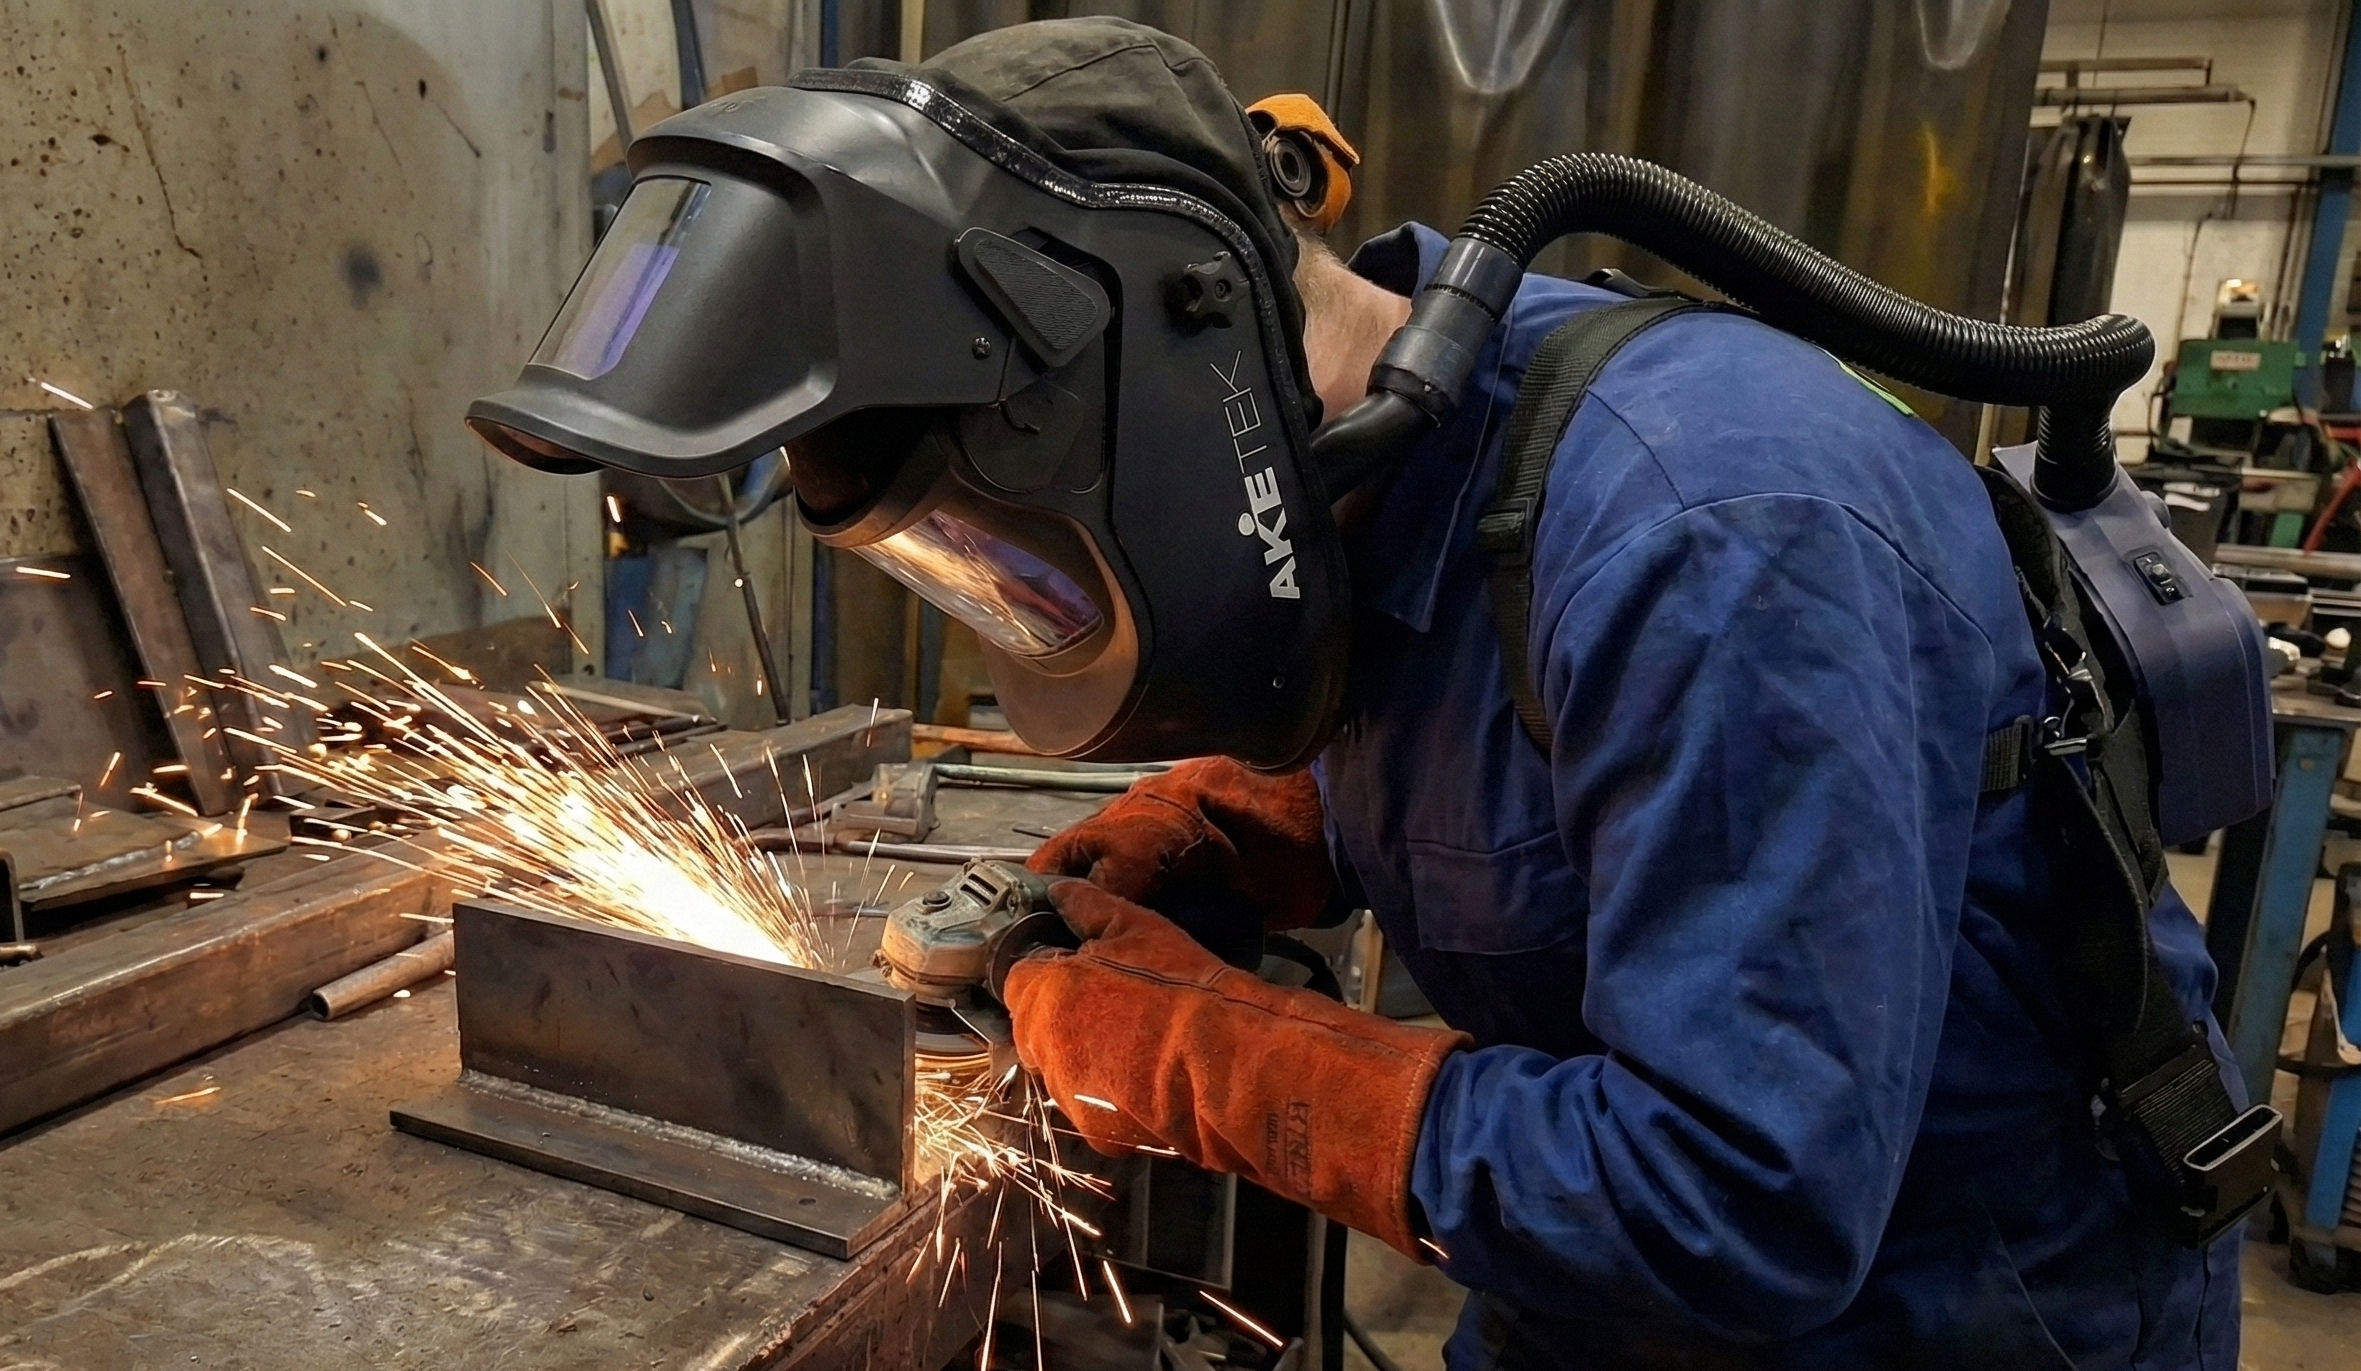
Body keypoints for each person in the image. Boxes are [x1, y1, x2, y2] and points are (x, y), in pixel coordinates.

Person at [463, 17, 2247, 1368]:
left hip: (1957, 1302)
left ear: (1157, 410)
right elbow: (1533, 745)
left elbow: (1739, 1205)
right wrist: (1254, 827)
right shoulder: (1397, 478)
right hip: (1590, 1297)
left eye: (996, 543)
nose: (1007, 594)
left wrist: (1205, 1049)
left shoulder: (1709, 534)